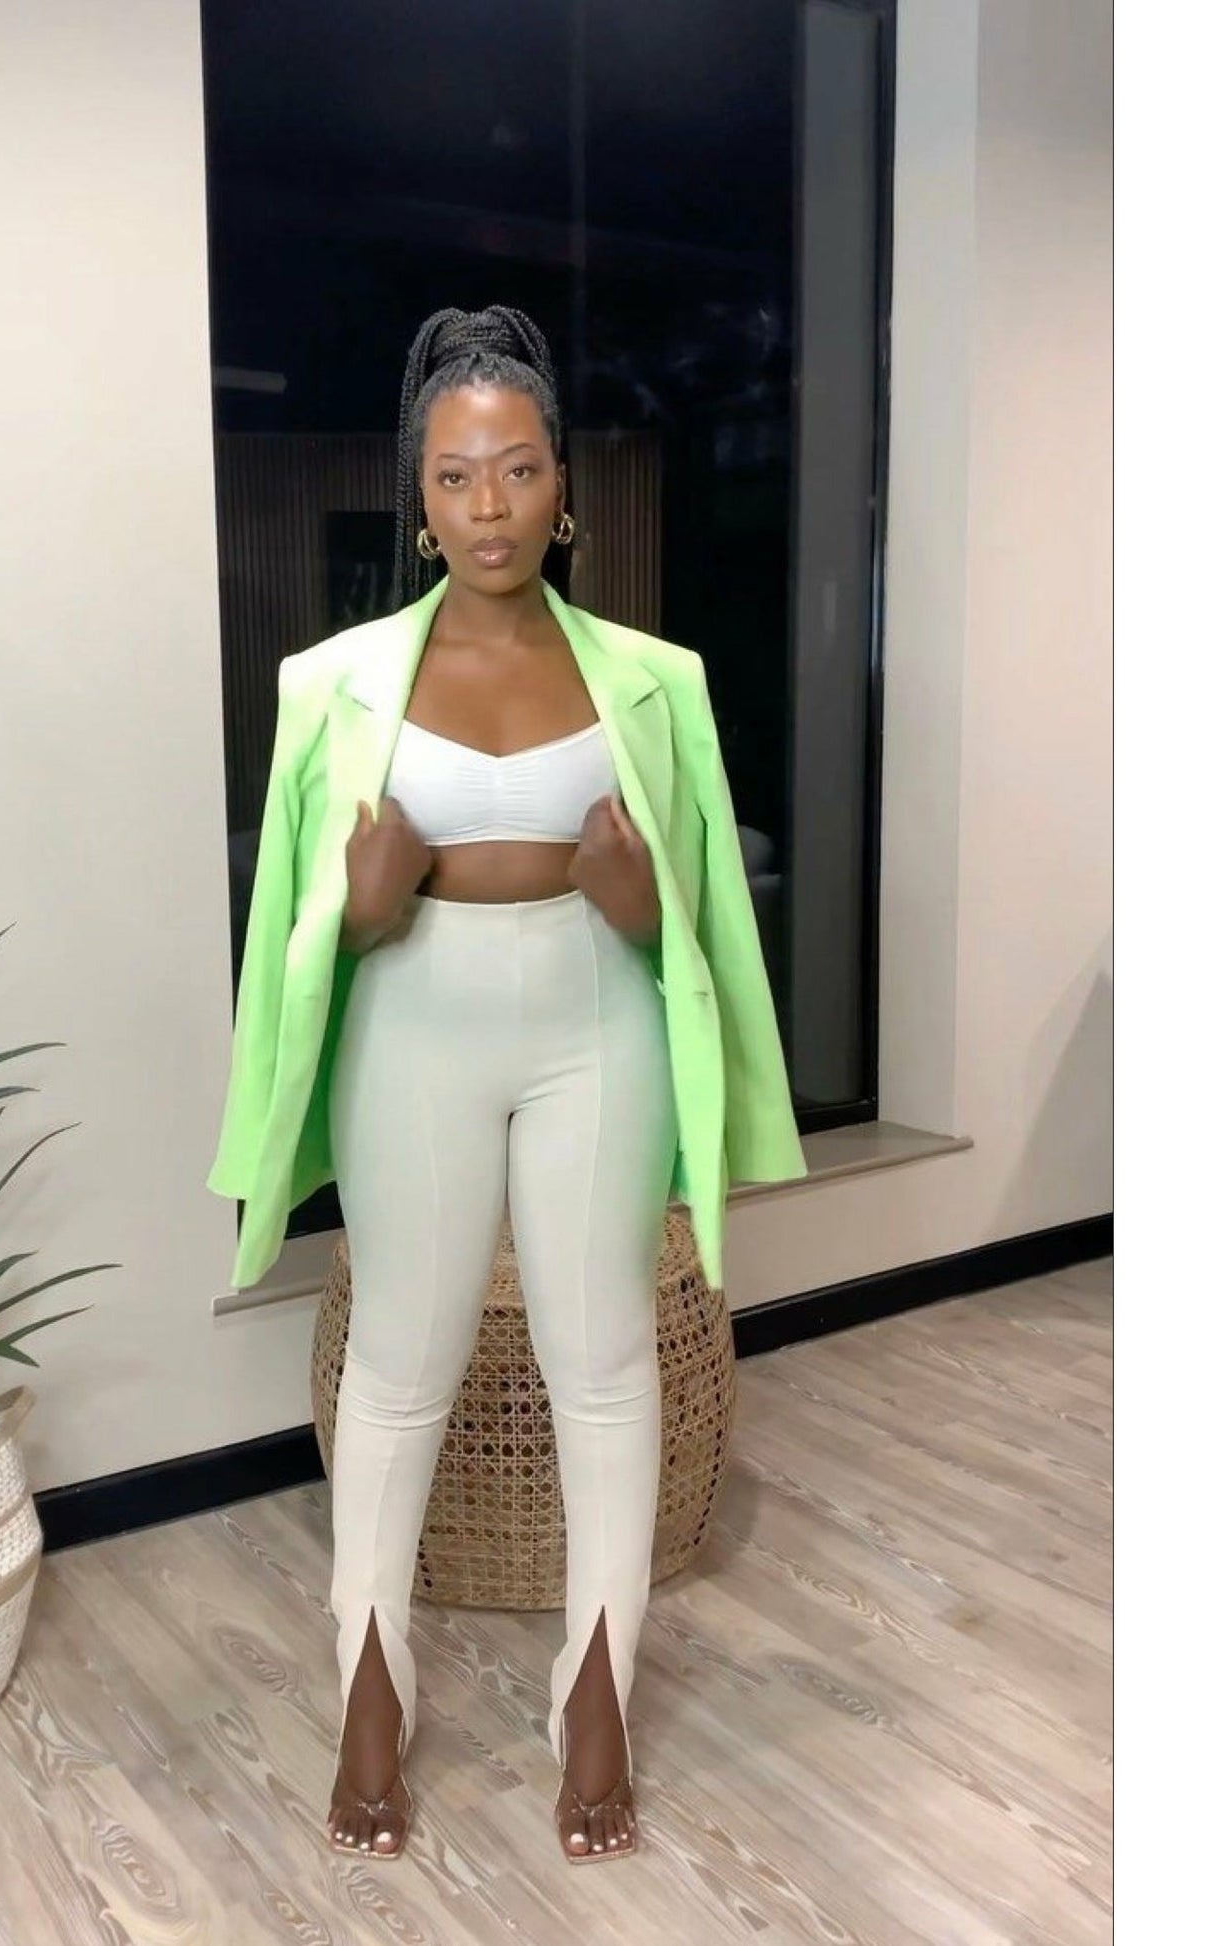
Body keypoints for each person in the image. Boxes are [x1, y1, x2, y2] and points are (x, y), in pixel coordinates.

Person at [205, 303, 806, 1868]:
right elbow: (285, 929)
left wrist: (640, 908)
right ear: (419, 498)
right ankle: (370, 1688)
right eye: (457, 476)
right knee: (396, 1367)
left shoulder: (657, 681)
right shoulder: (329, 683)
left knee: (602, 1362)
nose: (490, 506)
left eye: (519, 468)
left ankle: (595, 1696)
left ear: (561, 484)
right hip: (410, 1026)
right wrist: (362, 908)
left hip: (596, 1022)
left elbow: (706, 918)